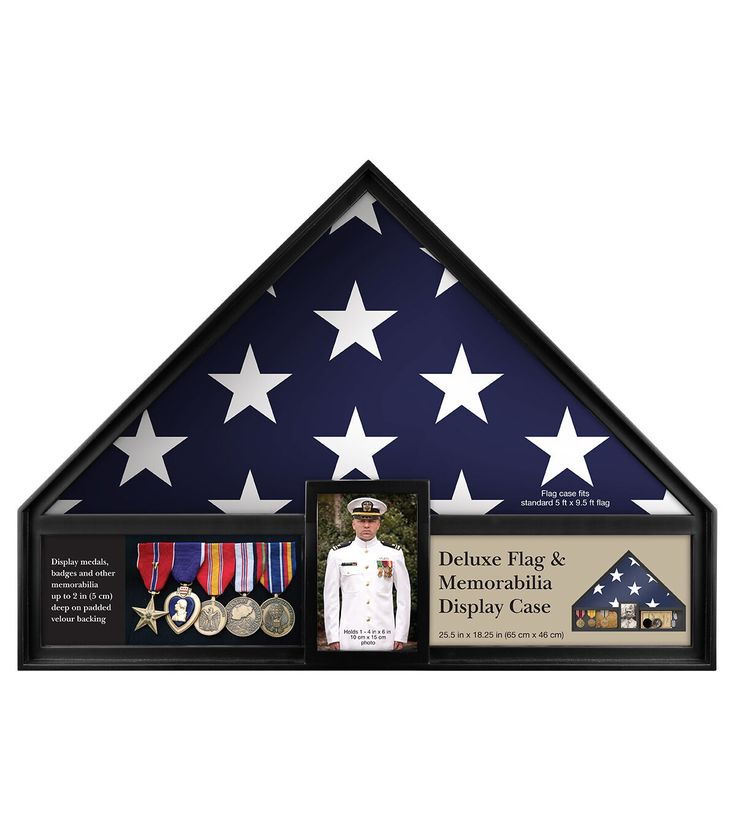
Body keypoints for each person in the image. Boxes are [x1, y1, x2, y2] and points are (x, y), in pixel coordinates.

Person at [323, 497, 411, 651]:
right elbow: (331, 599)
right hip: (350, 636)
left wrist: (400, 634)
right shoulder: (338, 554)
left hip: (384, 635)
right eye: (361, 520)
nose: (366, 525)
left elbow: (404, 596)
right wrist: (333, 636)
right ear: (353, 524)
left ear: (378, 524)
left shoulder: (393, 553)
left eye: (371, 521)